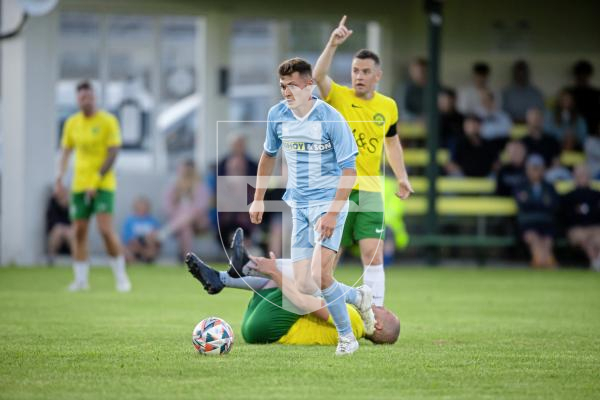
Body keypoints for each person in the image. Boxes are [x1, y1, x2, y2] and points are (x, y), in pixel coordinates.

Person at [248, 57, 374, 355]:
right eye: (282, 86)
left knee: (319, 275)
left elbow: (349, 171)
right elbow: (268, 156)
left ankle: (346, 337)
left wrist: (332, 213)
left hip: (329, 204)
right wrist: (257, 197)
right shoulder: (277, 115)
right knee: (305, 284)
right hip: (299, 206)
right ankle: (358, 297)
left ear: (309, 84)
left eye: (291, 85)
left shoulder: (330, 118)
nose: (286, 92)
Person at [312, 15, 413, 307]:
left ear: (377, 76)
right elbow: (318, 76)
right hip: (337, 188)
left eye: (365, 71)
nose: (359, 76)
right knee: (330, 256)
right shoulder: (339, 97)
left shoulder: (388, 106)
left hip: (369, 189)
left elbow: (391, 142)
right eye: (356, 70)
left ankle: (376, 313)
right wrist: (332, 43)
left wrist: (402, 176)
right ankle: (324, 310)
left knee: (373, 253)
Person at [184, 241, 400, 345]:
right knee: (306, 280)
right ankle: (220, 279)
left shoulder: (353, 321)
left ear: (378, 325)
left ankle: (244, 267)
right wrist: (276, 274)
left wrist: (277, 274)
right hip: (258, 325)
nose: (379, 306)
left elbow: (305, 304)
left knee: (307, 281)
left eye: (384, 310)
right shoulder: (355, 322)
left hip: (268, 327)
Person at [55, 81, 131, 292]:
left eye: (88, 96)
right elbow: (66, 151)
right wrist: (59, 177)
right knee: (78, 231)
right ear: (77, 99)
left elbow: (113, 151)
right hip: (79, 186)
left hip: (103, 184)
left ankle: (121, 277)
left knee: (105, 229)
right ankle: (80, 280)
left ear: (94, 97)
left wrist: (96, 180)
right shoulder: (72, 122)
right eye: (81, 97)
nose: (85, 100)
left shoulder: (108, 121)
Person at [159, 159, 211, 261]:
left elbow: (201, 208)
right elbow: (166, 206)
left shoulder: (200, 186)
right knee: (185, 228)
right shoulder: (173, 187)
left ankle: (164, 232)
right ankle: (187, 260)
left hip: (198, 222)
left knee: (188, 216)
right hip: (179, 222)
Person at [514, 154, 560, 269]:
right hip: (528, 222)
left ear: (543, 170)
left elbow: (554, 205)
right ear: (527, 170)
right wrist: (542, 204)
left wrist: (532, 202)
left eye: (538, 168)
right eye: (533, 168)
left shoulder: (549, 186)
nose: (535, 171)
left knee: (547, 240)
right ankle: (545, 260)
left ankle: (540, 261)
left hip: (546, 222)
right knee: (533, 237)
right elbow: (522, 204)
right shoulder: (520, 185)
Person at [560, 164, 600, 271]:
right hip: (577, 230)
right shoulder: (567, 197)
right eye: (580, 175)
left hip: (595, 229)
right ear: (574, 177)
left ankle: (596, 262)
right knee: (583, 237)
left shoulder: (597, 195)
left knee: (597, 237)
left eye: (585, 175)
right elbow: (566, 218)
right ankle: (595, 262)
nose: (582, 177)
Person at [121, 196, 161, 263]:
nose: (142, 209)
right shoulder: (129, 220)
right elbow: (127, 237)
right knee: (130, 249)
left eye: (143, 206)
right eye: (139, 207)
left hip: (148, 245)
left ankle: (148, 259)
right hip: (134, 245)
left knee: (151, 248)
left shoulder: (152, 221)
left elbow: (158, 235)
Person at [567, 60, 600, 136]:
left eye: (584, 75)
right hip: (573, 130)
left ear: (588, 76)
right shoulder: (570, 93)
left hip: (592, 131)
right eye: (580, 75)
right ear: (576, 76)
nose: (582, 77)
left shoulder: (595, 94)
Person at [475, 88, 512, 153]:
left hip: (499, 143)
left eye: (487, 100)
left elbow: (507, 130)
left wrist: (489, 131)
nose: (485, 103)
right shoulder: (476, 115)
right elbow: (477, 131)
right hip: (483, 144)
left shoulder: (503, 115)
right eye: (483, 100)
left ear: (492, 100)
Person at [45, 184, 72, 265]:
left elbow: (76, 223)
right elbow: (51, 224)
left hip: (69, 234)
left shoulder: (72, 206)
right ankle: (51, 259)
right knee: (57, 230)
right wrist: (62, 229)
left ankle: (78, 261)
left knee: (72, 233)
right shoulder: (52, 204)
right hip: (57, 236)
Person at [398, 57, 427, 121]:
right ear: (411, 72)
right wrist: (418, 118)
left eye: (423, 71)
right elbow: (402, 112)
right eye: (417, 71)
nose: (420, 74)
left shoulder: (433, 89)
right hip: (408, 127)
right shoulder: (404, 89)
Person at [438, 87, 464, 152]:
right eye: (442, 100)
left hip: (456, 149)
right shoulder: (434, 117)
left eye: (446, 99)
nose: (443, 102)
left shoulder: (461, 117)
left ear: (454, 100)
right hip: (439, 146)